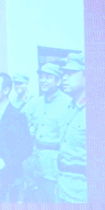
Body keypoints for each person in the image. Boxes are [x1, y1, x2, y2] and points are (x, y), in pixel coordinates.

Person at [20, 62, 75, 202]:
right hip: (36, 162)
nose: (43, 80)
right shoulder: (36, 102)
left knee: (54, 201)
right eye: (42, 77)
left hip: (54, 165)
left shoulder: (69, 103)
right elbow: (20, 119)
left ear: (58, 81)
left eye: (48, 77)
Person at [0, 72, 34, 200]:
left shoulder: (16, 116)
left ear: (6, 90)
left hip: (11, 179)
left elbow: (26, 148)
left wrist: (5, 162)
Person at [56, 53, 87, 203]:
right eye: (64, 74)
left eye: (71, 73)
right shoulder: (69, 107)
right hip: (62, 186)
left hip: (82, 192)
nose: (64, 78)